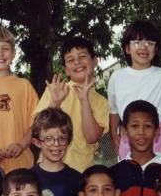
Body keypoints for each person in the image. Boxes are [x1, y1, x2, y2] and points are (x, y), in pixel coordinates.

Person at [108, 20, 161, 161]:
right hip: (129, 135)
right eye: (137, 42)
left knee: (159, 179)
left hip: (157, 135)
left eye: (149, 43)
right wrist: (113, 133)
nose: (143, 47)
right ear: (127, 48)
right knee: (129, 179)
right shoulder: (117, 77)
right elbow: (113, 110)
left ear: (155, 49)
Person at [32, 36, 109, 172]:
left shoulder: (102, 102)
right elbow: (39, 130)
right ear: (66, 69)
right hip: (48, 168)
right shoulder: (55, 91)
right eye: (71, 60)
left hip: (82, 171)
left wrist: (84, 100)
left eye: (82, 56)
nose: (77, 62)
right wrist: (55, 101)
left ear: (95, 60)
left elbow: (91, 137)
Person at [0, 25, 38, 173]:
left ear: (13, 54)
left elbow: (36, 124)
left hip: (21, 165)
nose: (0, 53)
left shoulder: (24, 86)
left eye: (5, 48)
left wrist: (22, 145)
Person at [29, 107, 83, 196]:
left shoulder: (77, 179)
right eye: (48, 138)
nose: (56, 144)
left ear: (69, 141)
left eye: (62, 138)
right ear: (36, 142)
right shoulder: (28, 178)